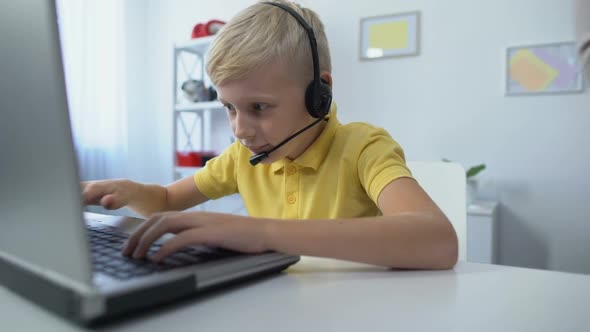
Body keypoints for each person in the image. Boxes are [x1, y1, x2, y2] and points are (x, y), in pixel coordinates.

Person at [82, 0, 458, 269]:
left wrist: (262, 233)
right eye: (229, 107)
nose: (240, 130)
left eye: (259, 108)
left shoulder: (364, 148)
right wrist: (131, 192)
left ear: (319, 93)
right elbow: (165, 201)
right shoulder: (242, 157)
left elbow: (437, 240)